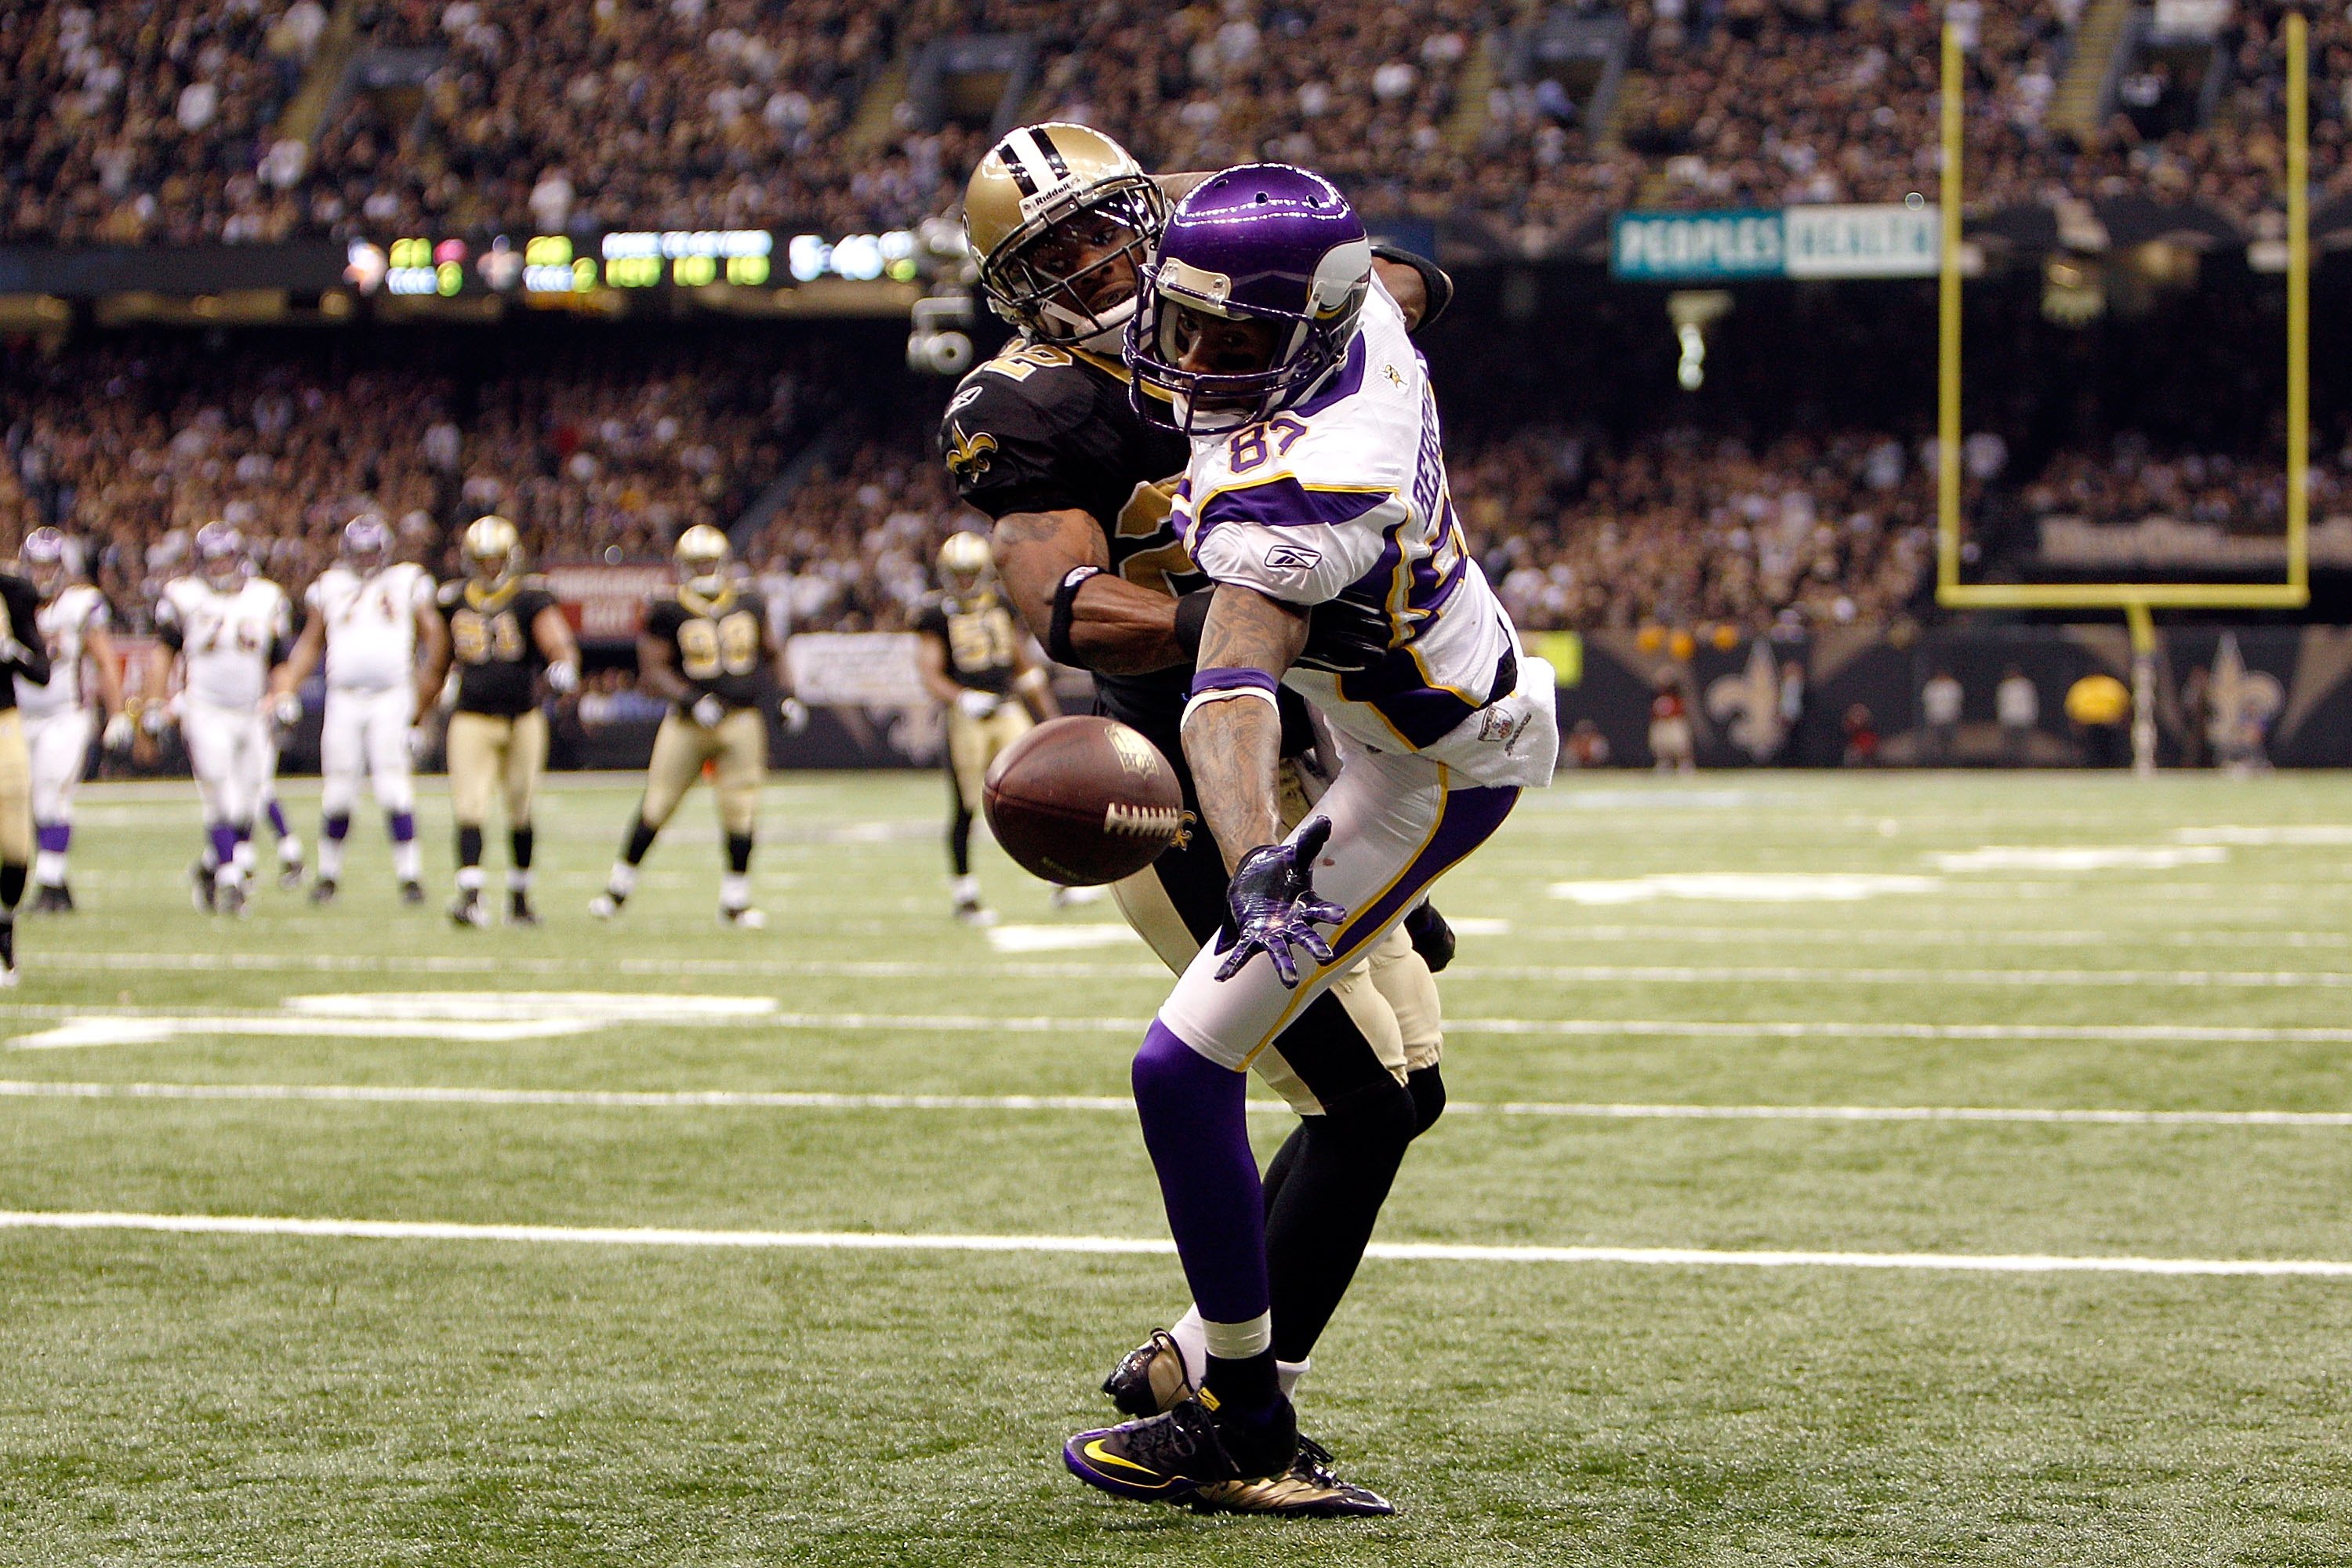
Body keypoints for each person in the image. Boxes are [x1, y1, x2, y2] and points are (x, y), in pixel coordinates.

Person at [953, 125, 1461, 1515]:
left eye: (1112, 227)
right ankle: (1238, 1421)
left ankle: (1198, 1362)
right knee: (1356, 1105)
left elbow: (1404, 278)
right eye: (1055, 257)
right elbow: (1058, 603)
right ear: (1014, 292)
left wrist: (1286, 279)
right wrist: (1248, 610)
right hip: (1184, 780)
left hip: (1325, 756)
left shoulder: (1223, 276)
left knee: (1404, 1094)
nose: (1102, 265)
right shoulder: (1033, 406)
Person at [1061, 165, 1556, 1507]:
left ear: (1304, 335)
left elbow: (1228, 692)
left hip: (1436, 765)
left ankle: (1242, 1413)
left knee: (1188, 1070)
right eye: (1187, 319)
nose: (1190, 358)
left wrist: (1251, 857)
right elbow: (1390, 274)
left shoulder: (1316, 486)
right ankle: (1217, 1374)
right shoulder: (1364, 310)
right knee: (1261, 1082)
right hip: (1417, 721)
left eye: (1230, 341)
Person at [587, 525, 807, 927]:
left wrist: (788, 696)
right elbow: (653, 670)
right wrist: (692, 700)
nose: (705, 568)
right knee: (658, 804)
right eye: (697, 563)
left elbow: (774, 653)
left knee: (741, 809)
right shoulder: (667, 608)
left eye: (709, 561)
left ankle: (735, 902)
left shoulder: (749, 601)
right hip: (688, 723)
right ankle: (617, 891)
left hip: (741, 718)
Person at [268, 514, 446, 905]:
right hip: (344, 697)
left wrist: (429, 687)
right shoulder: (331, 586)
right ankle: (328, 876)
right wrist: (285, 690)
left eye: (372, 552)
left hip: (391, 696)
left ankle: (410, 876)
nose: (366, 560)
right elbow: (310, 644)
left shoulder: (406, 580)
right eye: (360, 552)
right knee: (338, 791)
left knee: (394, 787)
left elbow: (435, 634)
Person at [418, 515, 579, 927]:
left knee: (520, 808)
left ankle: (520, 899)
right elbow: (436, 665)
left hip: (523, 717)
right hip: (471, 717)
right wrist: (416, 718)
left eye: (496, 558)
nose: (491, 567)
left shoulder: (530, 597)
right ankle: (471, 898)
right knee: (469, 806)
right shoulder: (453, 599)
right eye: (483, 559)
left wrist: (563, 665)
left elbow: (558, 641)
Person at [144, 523, 288, 918]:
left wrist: (283, 695)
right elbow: (163, 654)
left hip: (252, 711)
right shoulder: (185, 597)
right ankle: (229, 880)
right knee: (220, 795)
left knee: (247, 804)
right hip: (205, 710)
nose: (221, 566)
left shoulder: (266, 597)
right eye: (214, 559)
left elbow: (279, 659)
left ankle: (211, 867)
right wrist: (155, 703)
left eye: (226, 558)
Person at [16, 527, 130, 912]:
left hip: (66, 716)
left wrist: (117, 713)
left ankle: (49, 884)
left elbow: (104, 659)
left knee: (52, 797)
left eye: (49, 566)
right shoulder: (13, 604)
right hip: (18, 717)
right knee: (29, 803)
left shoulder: (81, 605)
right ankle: (57, 885)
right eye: (36, 565)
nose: (42, 574)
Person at [0, 554, 51, 979]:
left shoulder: (11, 592)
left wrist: (11, 652)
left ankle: (4, 926)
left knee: (15, 845)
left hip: (3, 725)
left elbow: (42, 671)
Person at [1995, 666, 2038, 766]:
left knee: (2023, 745)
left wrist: (2032, 717)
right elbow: (2001, 704)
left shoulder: (2026, 686)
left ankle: (2023, 765)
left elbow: (2031, 702)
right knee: (2009, 746)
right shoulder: (2005, 687)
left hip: (2023, 719)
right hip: (2009, 719)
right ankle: (2010, 766)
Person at [1920, 667, 1962, 765]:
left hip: (1949, 718)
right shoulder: (1931, 687)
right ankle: (1935, 762)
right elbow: (1927, 701)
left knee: (1950, 741)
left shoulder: (1952, 686)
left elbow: (1957, 701)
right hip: (1935, 718)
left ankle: (1951, 761)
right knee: (1935, 741)